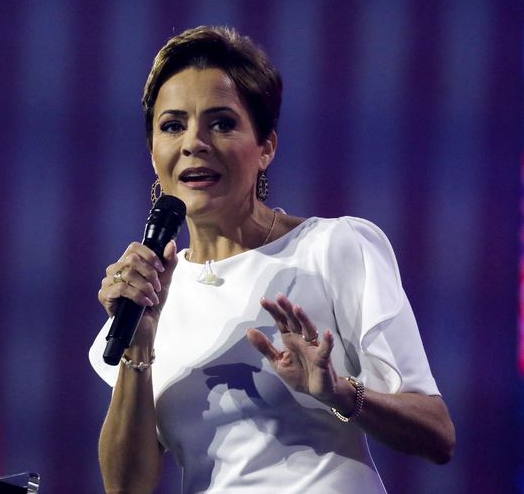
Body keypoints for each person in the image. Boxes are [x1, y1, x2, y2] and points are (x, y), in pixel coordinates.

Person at [89, 26, 455, 493]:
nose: (194, 142)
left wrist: (338, 393)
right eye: (173, 125)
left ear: (266, 148)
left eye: (221, 123)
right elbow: (127, 490)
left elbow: (438, 435)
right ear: (154, 151)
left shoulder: (332, 248)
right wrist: (138, 347)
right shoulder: (151, 297)